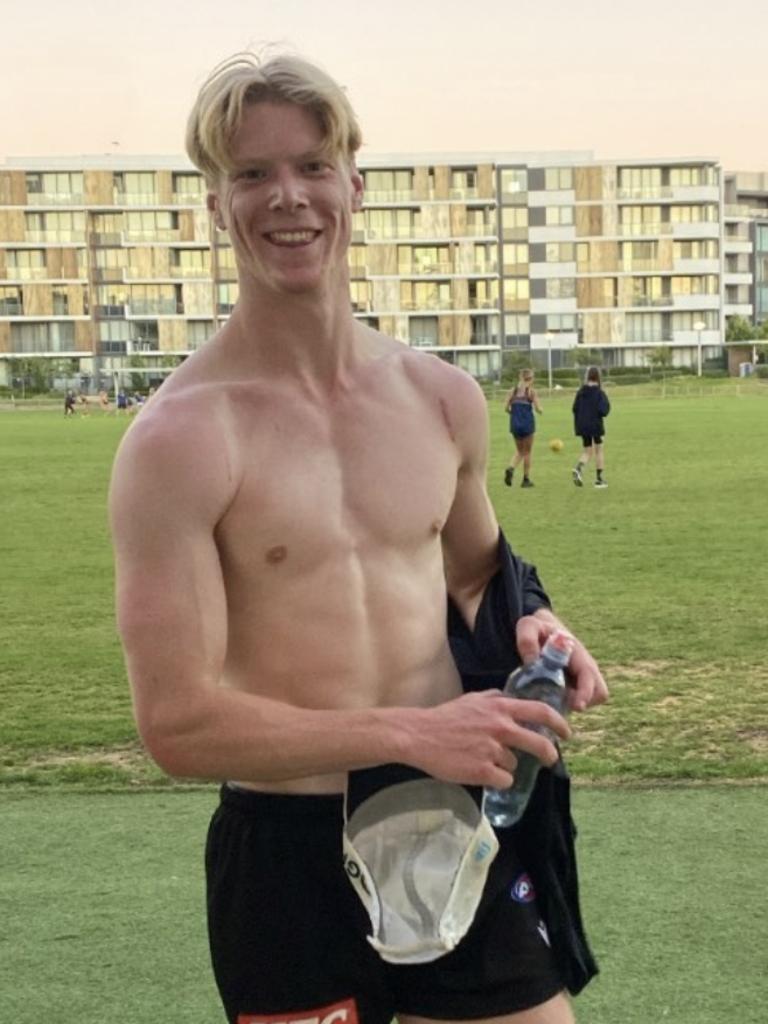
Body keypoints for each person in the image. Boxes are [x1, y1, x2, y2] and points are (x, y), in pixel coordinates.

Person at [109, 51, 608, 1024]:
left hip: (452, 826)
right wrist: (414, 732)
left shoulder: (440, 399)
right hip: (289, 864)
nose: (286, 196)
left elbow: (479, 575)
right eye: (251, 174)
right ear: (215, 204)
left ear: (354, 185)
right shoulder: (178, 441)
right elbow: (177, 722)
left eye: (310, 164)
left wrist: (538, 627)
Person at [571, 366, 611, 488]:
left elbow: (574, 408)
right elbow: (604, 410)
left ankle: (578, 468)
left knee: (588, 451)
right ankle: (599, 479)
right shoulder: (599, 393)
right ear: (598, 377)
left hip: (582, 425)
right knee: (598, 450)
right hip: (595, 425)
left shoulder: (581, 392)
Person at [503, 368, 543, 488]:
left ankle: (510, 468)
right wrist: (540, 410)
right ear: (530, 379)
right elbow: (538, 409)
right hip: (527, 425)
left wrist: (513, 414)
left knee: (520, 451)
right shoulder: (531, 392)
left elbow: (505, 408)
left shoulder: (512, 391)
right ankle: (526, 479)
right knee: (527, 452)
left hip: (515, 424)